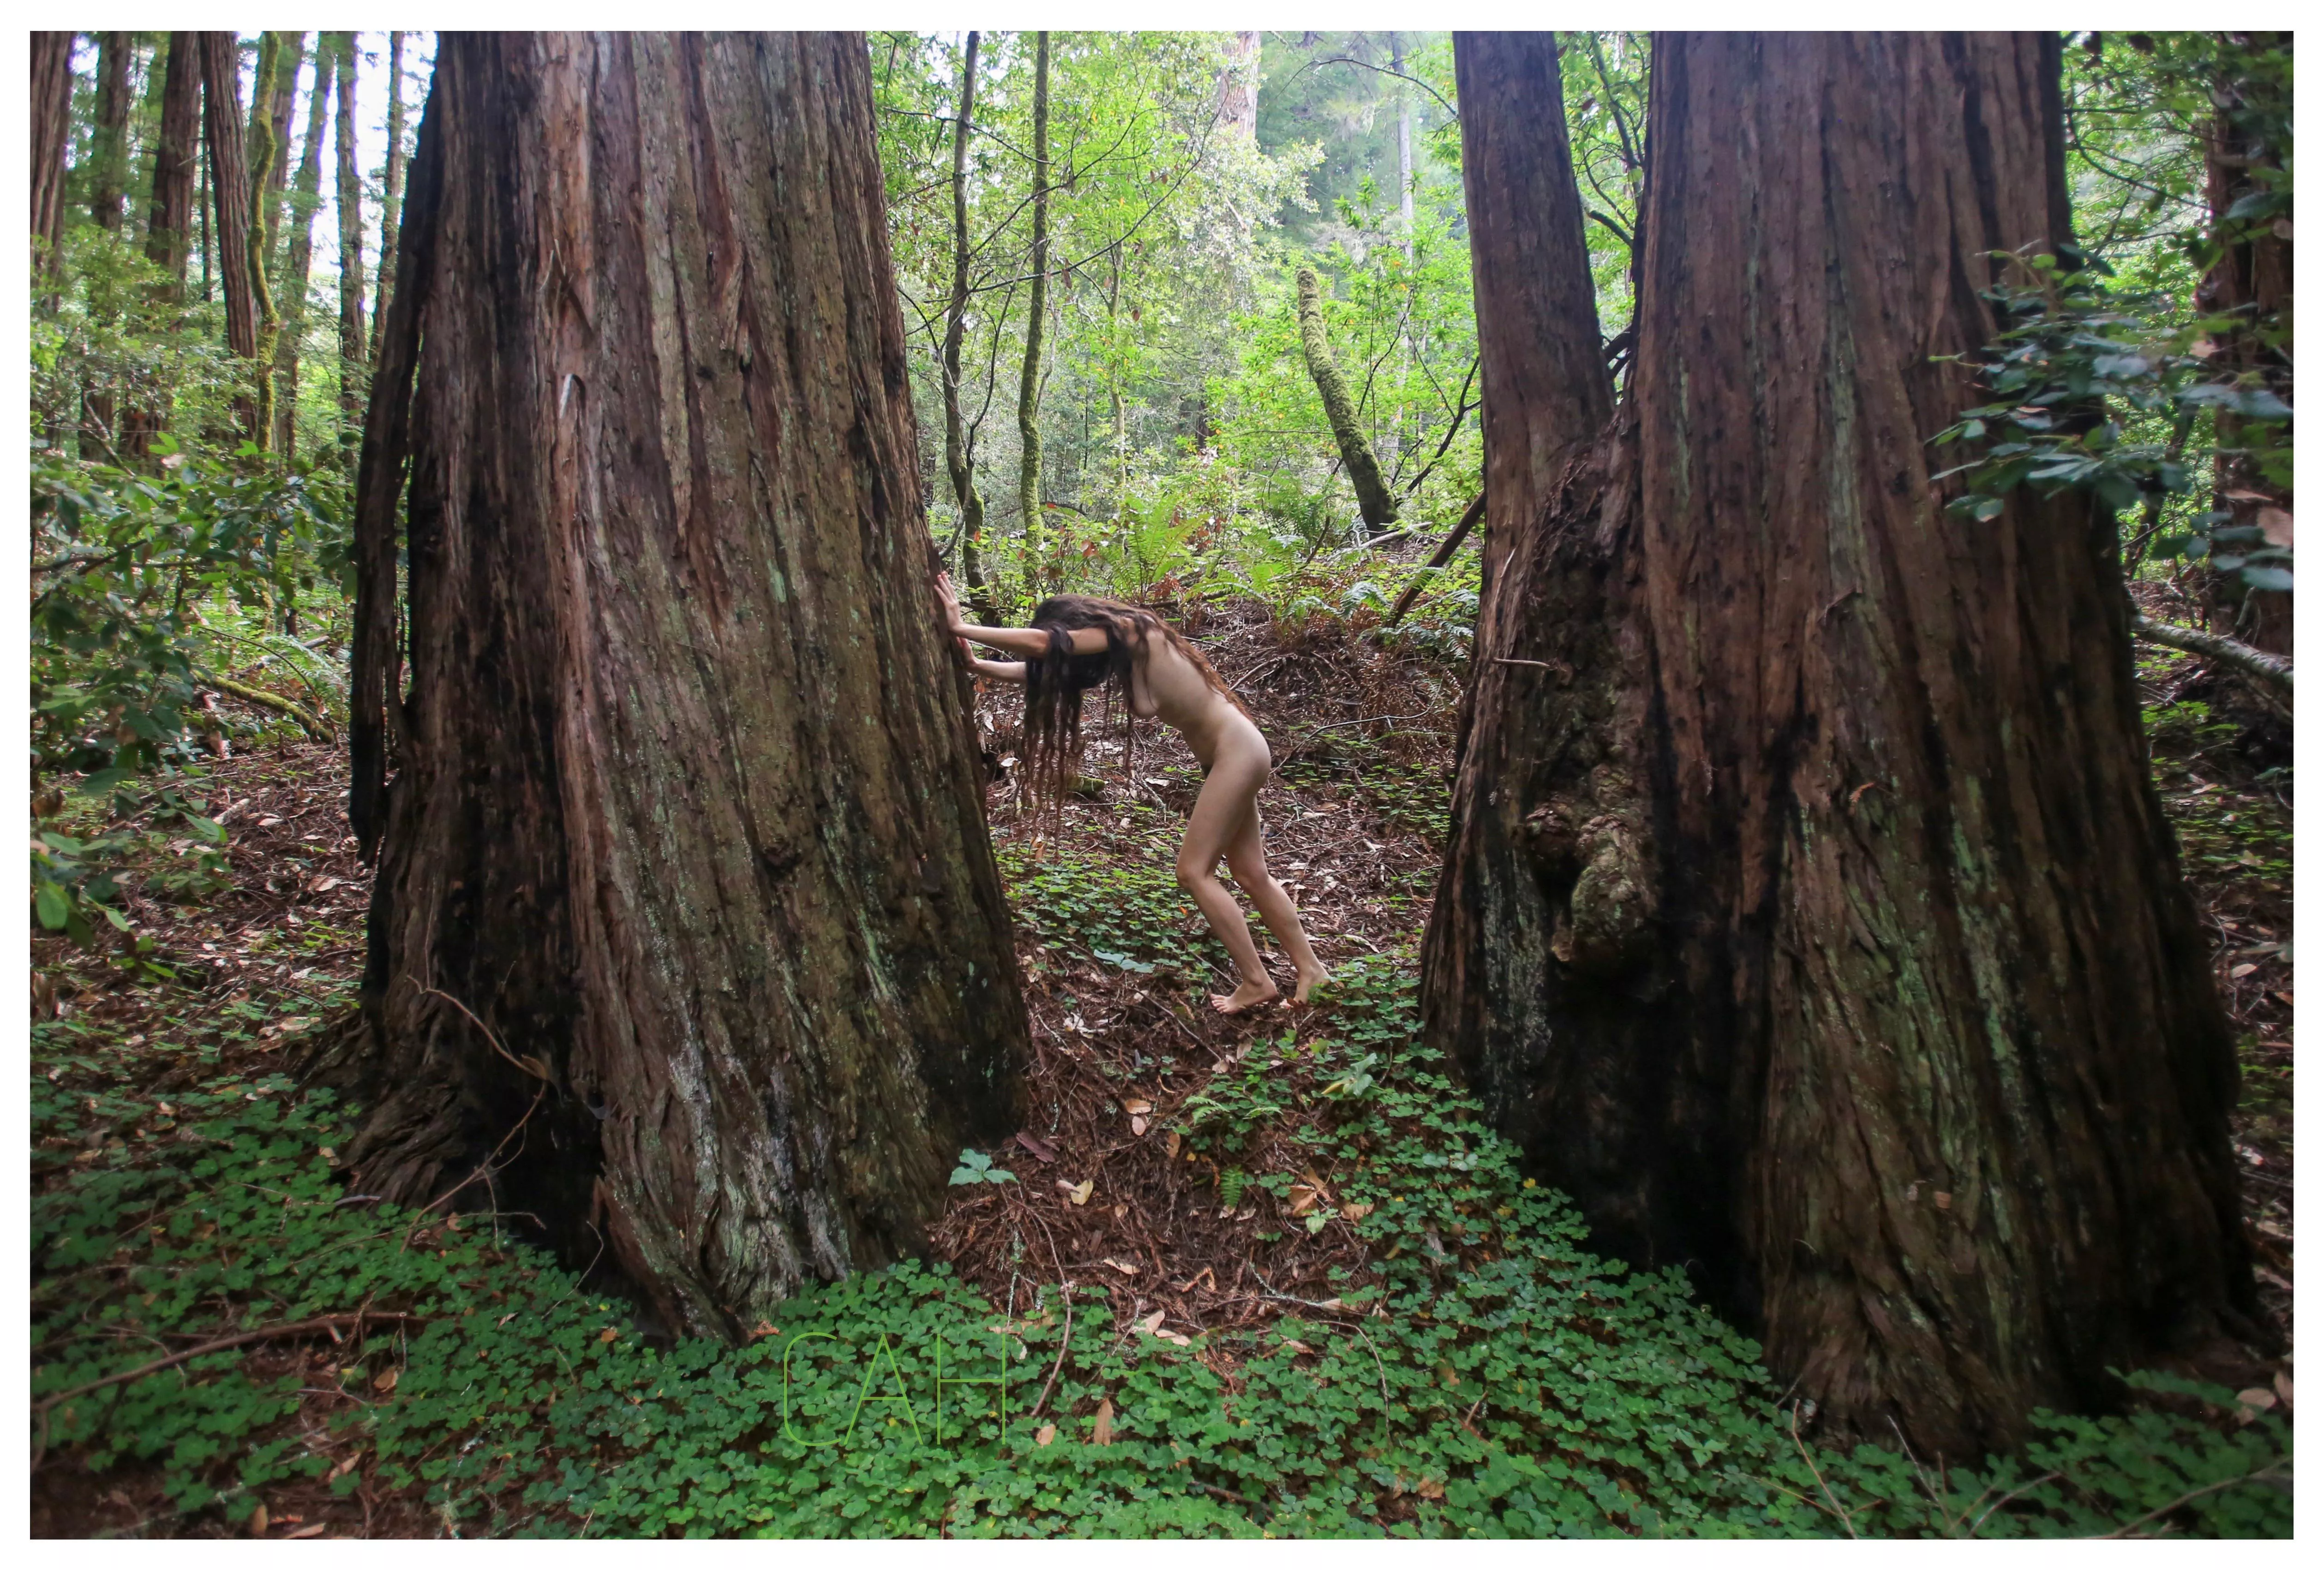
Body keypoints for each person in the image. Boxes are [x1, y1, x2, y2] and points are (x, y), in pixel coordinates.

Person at [935, 572, 1330, 1014]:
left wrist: (961, 626)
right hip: (1232, 754)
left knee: (1193, 873)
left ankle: (1257, 981)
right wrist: (979, 666)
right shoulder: (1121, 648)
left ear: (1076, 623)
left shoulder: (1135, 628)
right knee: (1250, 872)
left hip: (1237, 750)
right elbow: (1047, 667)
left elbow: (1046, 646)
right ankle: (1311, 969)